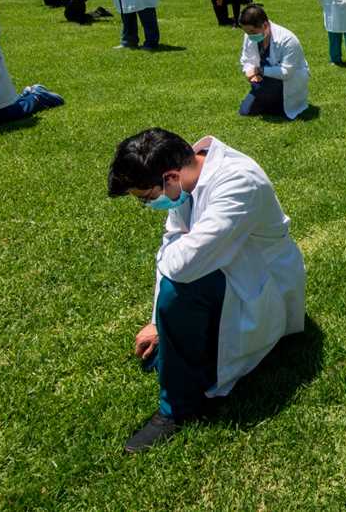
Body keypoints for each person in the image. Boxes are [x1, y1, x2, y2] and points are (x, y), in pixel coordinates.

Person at [107, 128, 306, 452]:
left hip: (261, 277)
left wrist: (165, 306)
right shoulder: (187, 176)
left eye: (146, 198)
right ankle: (182, 348)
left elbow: (181, 264)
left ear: (169, 177)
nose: (148, 205)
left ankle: (176, 409)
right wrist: (158, 322)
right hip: (228, 265)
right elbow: (174, 242)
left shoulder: (237, 183)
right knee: (175, 291)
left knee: (176, 292)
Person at [237, 4, 310, 119]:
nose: (249, 36)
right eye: (246, 32)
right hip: (262, 78)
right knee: (245, 111)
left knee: (277, 110)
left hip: (287, 81)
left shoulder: (288, 40)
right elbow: (247, 59)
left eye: (252, 31)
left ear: (265, 25)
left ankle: (274, 101)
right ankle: (266, 97)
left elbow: (286, 72)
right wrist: (250, 74)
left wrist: (259, 70)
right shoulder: (250, 35)